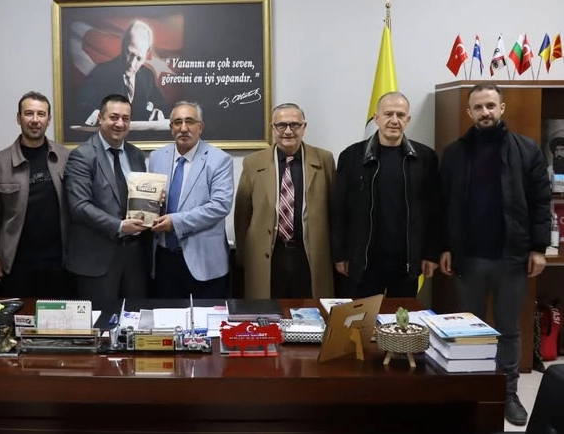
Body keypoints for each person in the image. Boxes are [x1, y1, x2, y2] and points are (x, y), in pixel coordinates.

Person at [439, 83, 550, 427]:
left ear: (501, 108)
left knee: (508, 330)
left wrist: (538, 248)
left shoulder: (527, 150)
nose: (485, 112)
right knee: (469, 332)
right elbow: (444, 206)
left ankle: (508, 393)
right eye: (478, 107)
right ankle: (471, 391)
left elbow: (541, 203)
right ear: (469, 113)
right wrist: (445, 247)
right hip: (468, 259)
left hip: (511, 258)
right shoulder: (454, 154)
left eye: (490, 105)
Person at [330, 92, 441, 298]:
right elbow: (339, 210)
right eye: (388, 114)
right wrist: (340, 254)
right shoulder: (352, 156)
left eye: (400, 115)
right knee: (363, 317)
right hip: (364, 260)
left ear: (408, 119)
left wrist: (431, 253)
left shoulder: (425, 158)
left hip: (406, 260)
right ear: (376, 118)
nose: (394, 120)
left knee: (401, 317)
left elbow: (435, 211)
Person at [234, 103, 336, 299]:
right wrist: (243, 254)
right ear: (273, 128)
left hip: (309, 254)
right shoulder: (253, 163)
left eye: (294, 125)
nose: (288, 131)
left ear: (304, 127)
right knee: (268, 311)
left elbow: (334, 211)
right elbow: (242, 215)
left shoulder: (324, 160)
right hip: (269, 255)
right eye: (281, 125)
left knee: (311, 311)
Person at [0, 91, 72, 298]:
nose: (35, 120)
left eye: (41, 114)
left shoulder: (66, 157)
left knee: (58, 317)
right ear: (19, 118)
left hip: (59, 261)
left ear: (49, 119)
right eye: (29, 113)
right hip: (17, 262)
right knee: (21, 316)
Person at [65, 94, 151, 302]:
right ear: (100, 118)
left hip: (135, 261)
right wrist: (120, 226)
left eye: (125, 118)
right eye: (114, 117)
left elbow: (138, 198)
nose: (120, 124)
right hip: (97, 261)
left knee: (134, 317)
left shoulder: (136, 155)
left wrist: (154, 201)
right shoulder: (82, 155)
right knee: (101, 320)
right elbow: (79, 206)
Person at [148, 101, 234, 298]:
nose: (183, 128)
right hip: (164, 257)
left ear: (200, 127)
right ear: (171, 128)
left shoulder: (219, 160)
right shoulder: (156, 157)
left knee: (206, 316)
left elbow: (220, 206)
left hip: (204, 261)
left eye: (190, 121)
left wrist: (175, 222)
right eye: (178, 122)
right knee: (165, 315)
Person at [77, 20, 168, 125]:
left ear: (147, 52)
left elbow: (165, 108)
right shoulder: (100, 73)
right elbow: (80, 109)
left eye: (139, 58)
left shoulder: (148, 76)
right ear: (123, 44)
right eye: (130, 53)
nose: (132, 64)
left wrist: (160, 112)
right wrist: (96, 115)